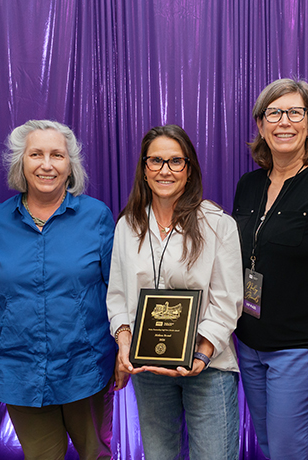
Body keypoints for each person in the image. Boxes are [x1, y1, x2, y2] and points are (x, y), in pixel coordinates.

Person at [232, 78, 308, 459]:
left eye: (294, 112)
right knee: (270, 446)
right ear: (260, 125)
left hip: (299, 350)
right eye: (273, 113)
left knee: (289, 450)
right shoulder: (248, 185)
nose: (283, 122)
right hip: (250, 344)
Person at [107, 124, 243, 459]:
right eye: (155, 161)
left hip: (207, 367)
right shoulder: (127, 226)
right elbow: (118, 296)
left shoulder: (217, 224)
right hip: (148, 369)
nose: (164, 170)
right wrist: (124, 343)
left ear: (190, 169)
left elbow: (228, 300)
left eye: (175, 161)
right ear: (144, 169)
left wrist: (202, 352)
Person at [0, 120, 115, 459]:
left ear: (70, 165)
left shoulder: (97, 216)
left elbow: (116, 292)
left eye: (57, 155)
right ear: (20, 162)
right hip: (20, 371)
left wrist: (122, 353)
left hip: (86, 368)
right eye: (36, 154)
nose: (46, 164)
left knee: (95, 455)